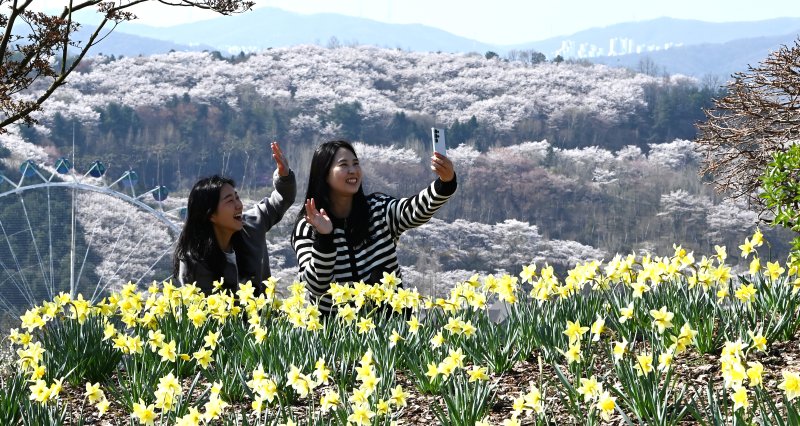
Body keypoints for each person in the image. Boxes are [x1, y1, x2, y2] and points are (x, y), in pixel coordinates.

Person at [292, 140, 457, 313]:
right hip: (337, 333)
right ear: (324, 174)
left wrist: (445, 184)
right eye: (343, 165)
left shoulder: (377, 209)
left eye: (356, 163)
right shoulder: (308, 226)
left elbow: (414, 210)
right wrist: (324, 238)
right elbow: (316, 286)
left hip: (389, 326)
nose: (353, 170)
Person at [174, 142, 296, 296]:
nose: (239, 205)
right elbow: (206, 313)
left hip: (262, 318)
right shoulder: (195, 261)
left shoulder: (252, 226)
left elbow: (282, 199)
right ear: (210, 214)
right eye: (230, 201)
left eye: (237, 198)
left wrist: (284, 176)